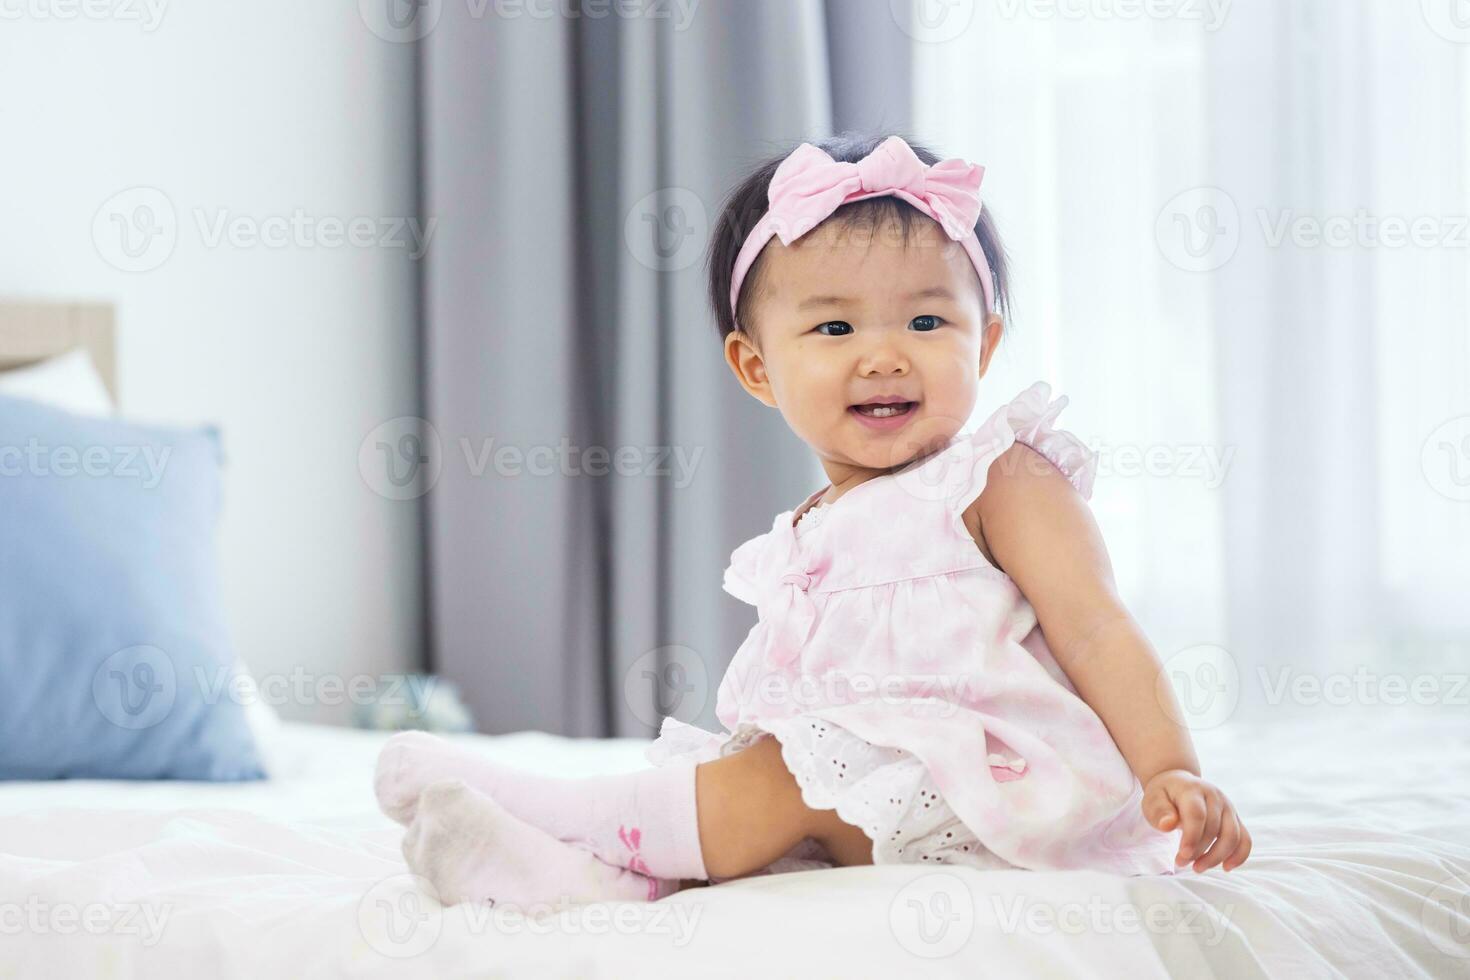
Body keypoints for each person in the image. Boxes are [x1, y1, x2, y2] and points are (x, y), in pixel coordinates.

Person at [374, 132, 1253, 907]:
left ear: (982, 343)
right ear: (758, 370)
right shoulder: (809, 527)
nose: (882, 353)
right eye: (833, 328)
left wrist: (1169, 767)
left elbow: (1098, 630)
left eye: (924, 319)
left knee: (780, 782)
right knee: (743, 786)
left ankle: (560, 811)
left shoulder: (1000, 480)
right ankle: (580, 880)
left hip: (994, 793)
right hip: (869, 789)